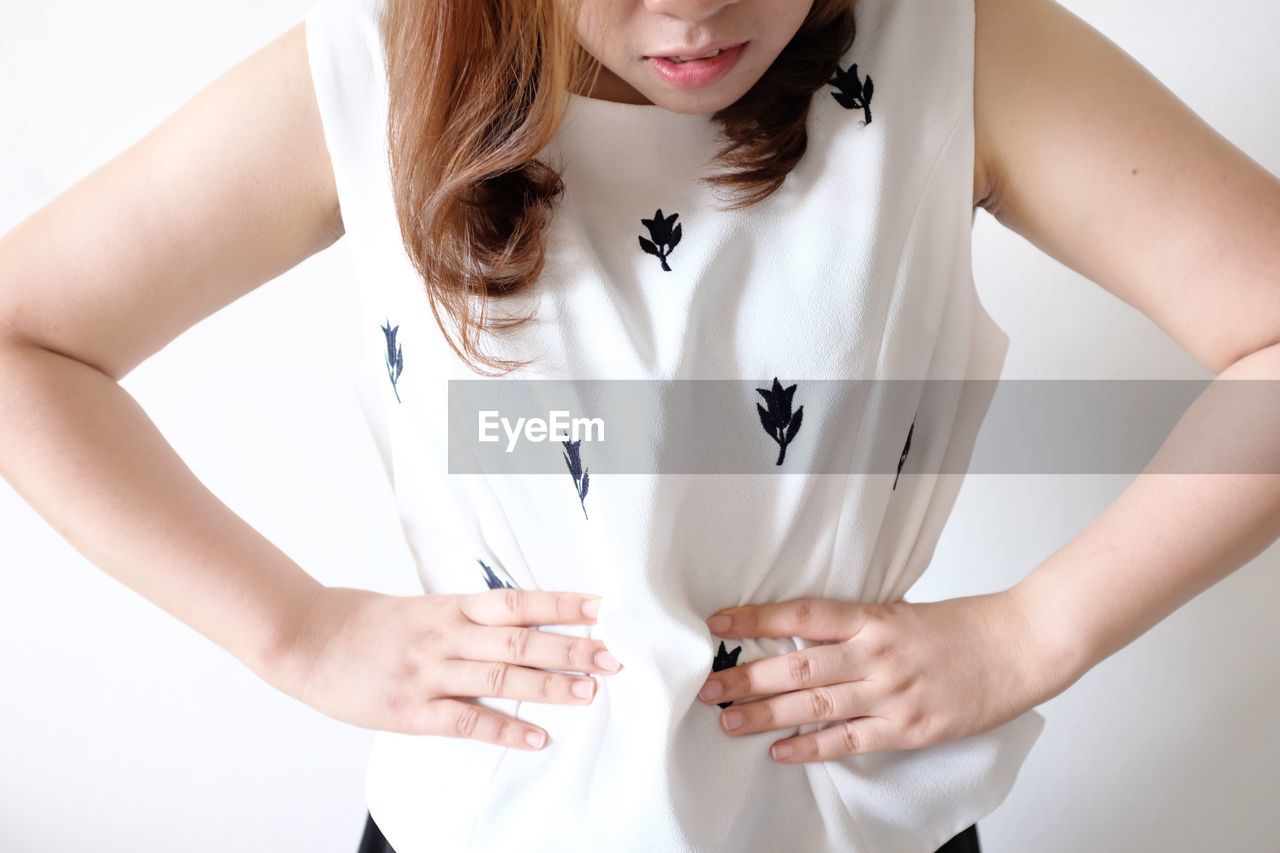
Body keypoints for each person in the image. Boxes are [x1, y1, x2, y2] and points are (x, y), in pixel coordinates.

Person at [1, 0, 1277, 849]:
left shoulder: (955, 43)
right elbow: (25, 339)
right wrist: (298, 633)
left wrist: (1032, 630)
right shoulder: (370, 63)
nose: (691, 12)